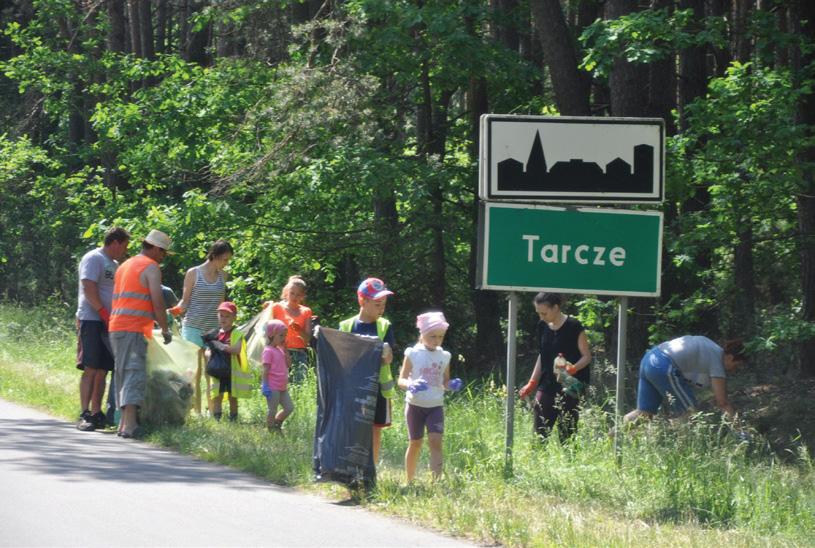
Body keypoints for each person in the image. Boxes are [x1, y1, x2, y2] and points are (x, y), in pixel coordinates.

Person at [109, 229, 173, 438]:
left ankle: (123, 424)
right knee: (134, 372)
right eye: (162, 251)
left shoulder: (125, 265)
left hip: (116, 326)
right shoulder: (150, 267)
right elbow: (157, 301)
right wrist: (165, 329)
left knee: (122, 371)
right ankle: (130, 426)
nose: (163, 256)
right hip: (133, 327)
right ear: (153, 247)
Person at [168, 239, 233, 413]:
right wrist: (173, 311)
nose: (226, 264)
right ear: (215, 256)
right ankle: (195, 410)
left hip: (212, 330)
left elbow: (221, 305)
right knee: (193, 372)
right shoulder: (193, 273)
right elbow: (185, 300)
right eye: (225, 259)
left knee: (212, 371)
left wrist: (226, 325)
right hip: (192, 327)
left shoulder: (223, 276)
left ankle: (212, 410)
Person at [75, 226, 130, 431]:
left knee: (103, 369)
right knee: (90, 367)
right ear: (114, 242)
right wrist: (102, 312)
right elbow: (88, 287)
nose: (124, 250)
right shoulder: (93, 258)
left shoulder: (114, 264)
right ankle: (85, 413)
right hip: (91, 319)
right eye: (123, 246)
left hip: (110, 322)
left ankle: (97, 412)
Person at [397, 311, 462, 482]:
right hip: (414, 405)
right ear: (422, 334)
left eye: (440, 336)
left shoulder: (444, 356)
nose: (437, 340)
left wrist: (451, 385)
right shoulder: (413, 353)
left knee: (435, 442)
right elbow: (401, 380)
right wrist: (410, 384)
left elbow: (444, 381)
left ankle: (436, 483)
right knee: (415, 443)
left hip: (435, 406)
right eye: (432, 336)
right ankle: (409, 481)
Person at [338, 277, 397, 464]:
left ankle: (370, 469)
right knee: (353, 427)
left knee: (375, 429)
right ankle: (350, 466)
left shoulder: (384, 326)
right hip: (354, 387)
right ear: (362, 301)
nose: (382, 308)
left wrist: (386, 352)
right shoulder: (346, 326)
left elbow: (389, 357)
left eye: (384, 304)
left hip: (378, 388)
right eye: (378, 304)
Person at [519, 292, 592, 440]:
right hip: (546, 384)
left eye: (544, 313)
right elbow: (543, 355)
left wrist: (574, 368)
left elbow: (587, 357)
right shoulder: (542, 326)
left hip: (571, 385)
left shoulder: (574, 326)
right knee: (539, 432)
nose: (541, 317)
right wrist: (532, 382)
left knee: (567, 434)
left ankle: (569, 461)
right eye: (538, 313)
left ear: (556, 308)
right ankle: (537, 460)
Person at [624, 336, 746, 424]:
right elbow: (722, 402)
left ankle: (613, 436)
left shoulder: (711, 349)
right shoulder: (716, 358)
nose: (734, 370)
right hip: (663, 364)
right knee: (689, 412)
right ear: (730, 357)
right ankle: (677, 446)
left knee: (644, 413)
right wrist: (739, 429)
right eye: (737, 366)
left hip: (649, 358)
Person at [202, 301, 251, 421]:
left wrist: (221, 346)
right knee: (217, 395)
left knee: (232, 396)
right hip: (217, 371)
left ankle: (233, 419)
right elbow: (207, 351)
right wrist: (210, 354)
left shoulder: (236, 333)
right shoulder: (215, 333)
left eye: (227, 316)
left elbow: (236, 350)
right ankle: (217, 419)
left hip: (231, 371)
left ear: (234, 317)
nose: (224, 318)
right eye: (221, 315)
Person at [270, 276, 313, 381]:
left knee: (299, 385)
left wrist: (299, 330)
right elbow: (267, 331)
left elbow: (307, 339)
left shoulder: (306, 311)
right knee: (279, 383)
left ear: (303, 296)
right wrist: (266, 309)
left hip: (300, 353)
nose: (294, 297)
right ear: (286, 292)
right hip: (279, 352)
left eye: (298, 295)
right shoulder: (276, 307)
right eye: (292, 293)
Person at [261, 319, 294, 432]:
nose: (283, 338)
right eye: (281, 335)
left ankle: (277, 423)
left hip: (282, 386)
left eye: (285, 335)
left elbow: (289, 365)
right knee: (272, 409)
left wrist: (286, 351)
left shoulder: (280, 350)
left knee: (289, 408)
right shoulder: (268, 351)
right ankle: (271, 429)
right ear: (271, 335)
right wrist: (264, 385)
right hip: (272, 386)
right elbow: (265, 369)